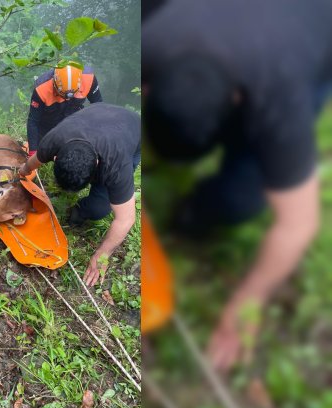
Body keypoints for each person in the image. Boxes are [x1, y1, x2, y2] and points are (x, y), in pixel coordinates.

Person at [142, 0, 332, 372]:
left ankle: (197, 215)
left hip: (312, 28)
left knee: (241, 198)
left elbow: (298, 224)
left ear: (237, 100)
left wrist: (246, 305)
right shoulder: (149, 42)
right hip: (232, 25)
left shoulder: (282, 95)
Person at [19, 103, 141, 286]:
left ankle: (80, 211)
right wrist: (21, 172)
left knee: (99, 208)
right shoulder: (54, 139)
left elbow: (126, 219)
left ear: (98, 164)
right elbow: (33, 162)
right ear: (56, 157)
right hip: (97, 114)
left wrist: (102, 255)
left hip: (132, 130)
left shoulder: (116, 163)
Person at [26, 63, 103, 155]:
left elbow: (98, 106)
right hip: (47, 123)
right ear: (54, 82)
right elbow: (33, 121)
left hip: (74, 120)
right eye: (61, 94)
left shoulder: (88, 78)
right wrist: (33, 152)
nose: (67, 98)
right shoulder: (41, 88)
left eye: (72, 94)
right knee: (42, 152)